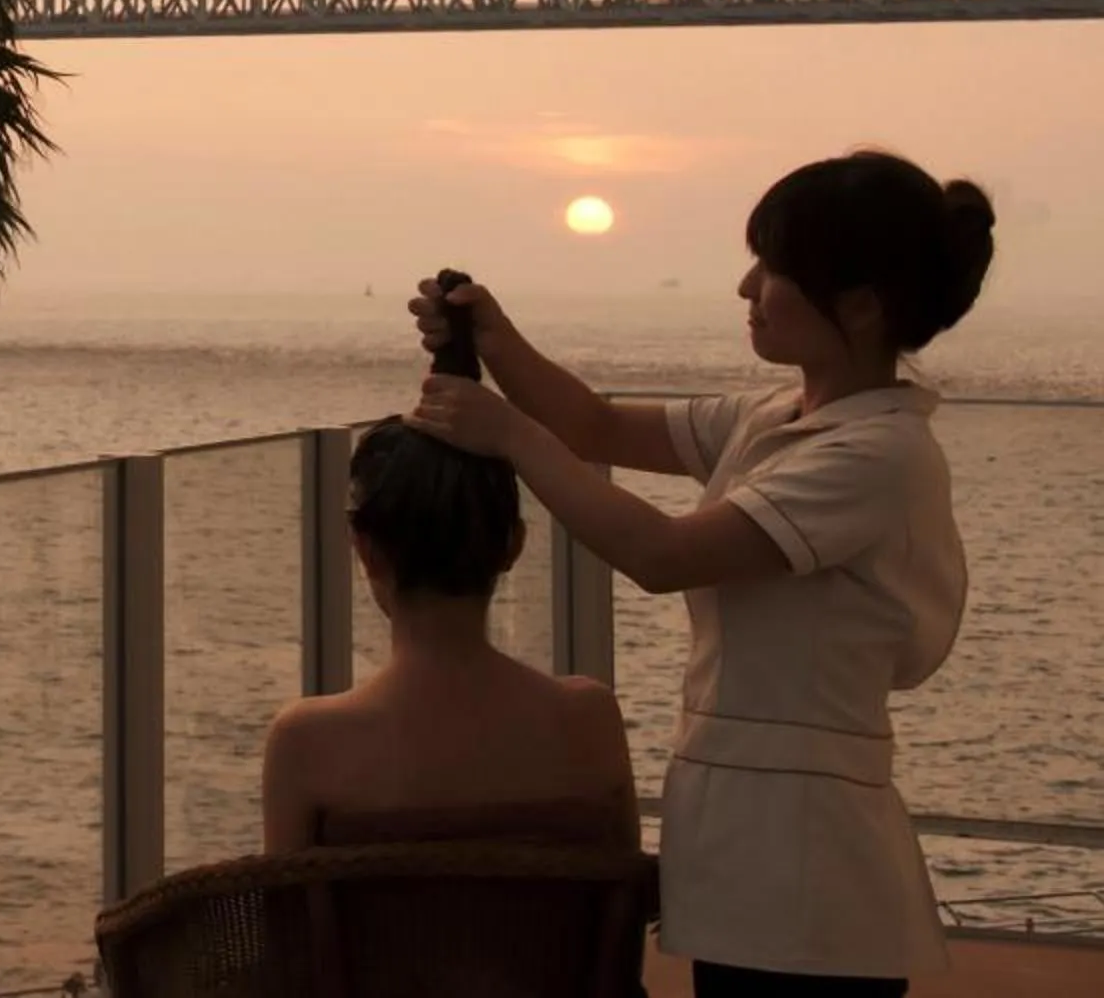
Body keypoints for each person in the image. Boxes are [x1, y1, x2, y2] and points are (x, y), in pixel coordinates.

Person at [407, 149, 991, 996]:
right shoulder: (777, 417)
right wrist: (497, 340)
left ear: (861, 305)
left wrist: (508, 435)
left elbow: (663, 555)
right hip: (752, 846)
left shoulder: (878, 454)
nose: (748, 287)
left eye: (773, 269)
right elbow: (598, 427)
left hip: (809, 872)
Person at [262, 418, 637, 854]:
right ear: (514, 544)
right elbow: (629, 890)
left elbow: (285, 898)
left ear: (366, 550)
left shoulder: (308, 744)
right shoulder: (590, 721)